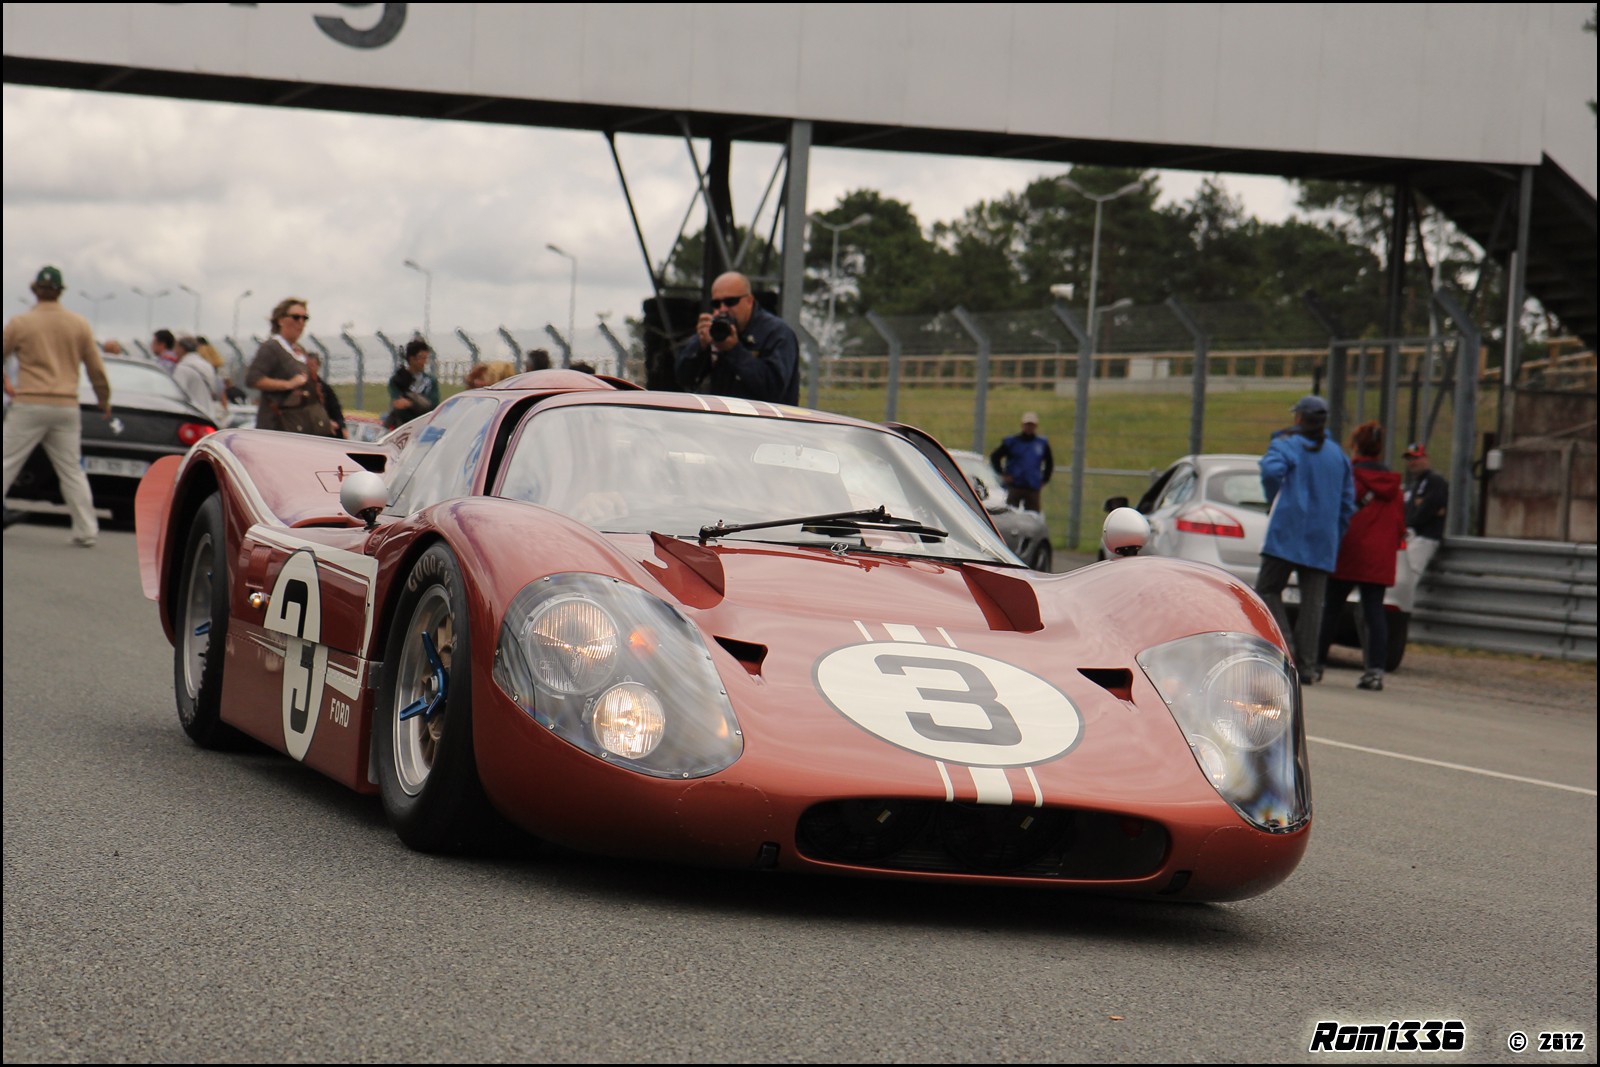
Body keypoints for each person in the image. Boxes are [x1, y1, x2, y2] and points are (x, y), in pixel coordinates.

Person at [1, 266, 113, 547]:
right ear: (61, 292)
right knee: (71, 469)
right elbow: (95, 368)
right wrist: (104, 399)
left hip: (29, 402)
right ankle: (86, 529)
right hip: (65, 405)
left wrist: (6, 383)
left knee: (7, 462)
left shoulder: (20, 323)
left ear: (35, 290)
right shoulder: (78, 324)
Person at [1256, 394, 1356, 684]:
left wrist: (1276, 498)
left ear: (1299, 418)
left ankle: (1288, 648)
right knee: (1314, 603)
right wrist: (1335, 530)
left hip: (1286, 532)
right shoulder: (1338, 455)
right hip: (1321, 538)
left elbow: (1270, 470)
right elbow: (1349, 501)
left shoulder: (1287, 445)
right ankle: (1308, 668)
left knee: (1267, 589)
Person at [1319, 421, 1406, 691]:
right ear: (1380, 449)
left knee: (1330, 610)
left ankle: (1315, 663)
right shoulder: (1393, 485)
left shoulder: (1349, 477)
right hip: (1379, 558)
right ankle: (1375, 672)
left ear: (1355, 446)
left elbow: (1334, 511)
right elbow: (1401, 526)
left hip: (1347, 551)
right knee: (1374, 613)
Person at [675, 271, 799, 405]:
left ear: (749, 301)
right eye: (716, 304)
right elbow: (683, 379)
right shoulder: (714, 330)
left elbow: (774, 389)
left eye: (730, 302)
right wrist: (700, 346)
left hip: (766, 423)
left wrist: (734, 351)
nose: (723, 309)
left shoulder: (777, 333)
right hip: (722, 420)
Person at [245, 297, 314, 431]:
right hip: (275, 425)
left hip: (297, 425)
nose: (301, 322)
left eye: (305, 318)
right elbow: (252, 379)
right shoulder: (272, 347)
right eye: (295, 317)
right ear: (281, 320)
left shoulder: (300, 351)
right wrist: (288, 385)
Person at [989, 411, 1054, 512]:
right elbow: (995, 456)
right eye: (1027, 424)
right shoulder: (1012, 442)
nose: (1029, 427)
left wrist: (1045, 479)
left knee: (1033, 515)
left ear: (1036, 426)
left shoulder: (1041, 444)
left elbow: (1049, 462)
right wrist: (1003, 473)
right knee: (1010, 512)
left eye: (1031, 425)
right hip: (1015, 485)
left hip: (1032, 487)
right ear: (1022, 425)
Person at [1402, 441, 1448, 578]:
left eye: (1416, 458)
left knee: (1410, 575)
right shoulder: (1413, 485)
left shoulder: (1435, 480)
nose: (1412, 462)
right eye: (1410, 459)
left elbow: (1430, 507)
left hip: (1424, 537)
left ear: (1425, 459)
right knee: (1403, 576)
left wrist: (1409, 524)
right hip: (1410, 536)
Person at [385, 339, 439, 429]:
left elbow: (433, 405)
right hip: (402, 426)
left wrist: (410, 404)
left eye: (426, 358)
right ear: (412, 359)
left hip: (424, 426)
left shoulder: (430, 381)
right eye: (421, 358)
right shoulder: (397, 380)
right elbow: (399, 405)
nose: (424, 362)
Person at [171, 334, 223, 423]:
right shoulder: (207, 365)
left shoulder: (183, 368)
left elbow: (177, 393)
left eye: (176, 348)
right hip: (209, 414)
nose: (174, 351)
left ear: (182, 348)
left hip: (191, 416)